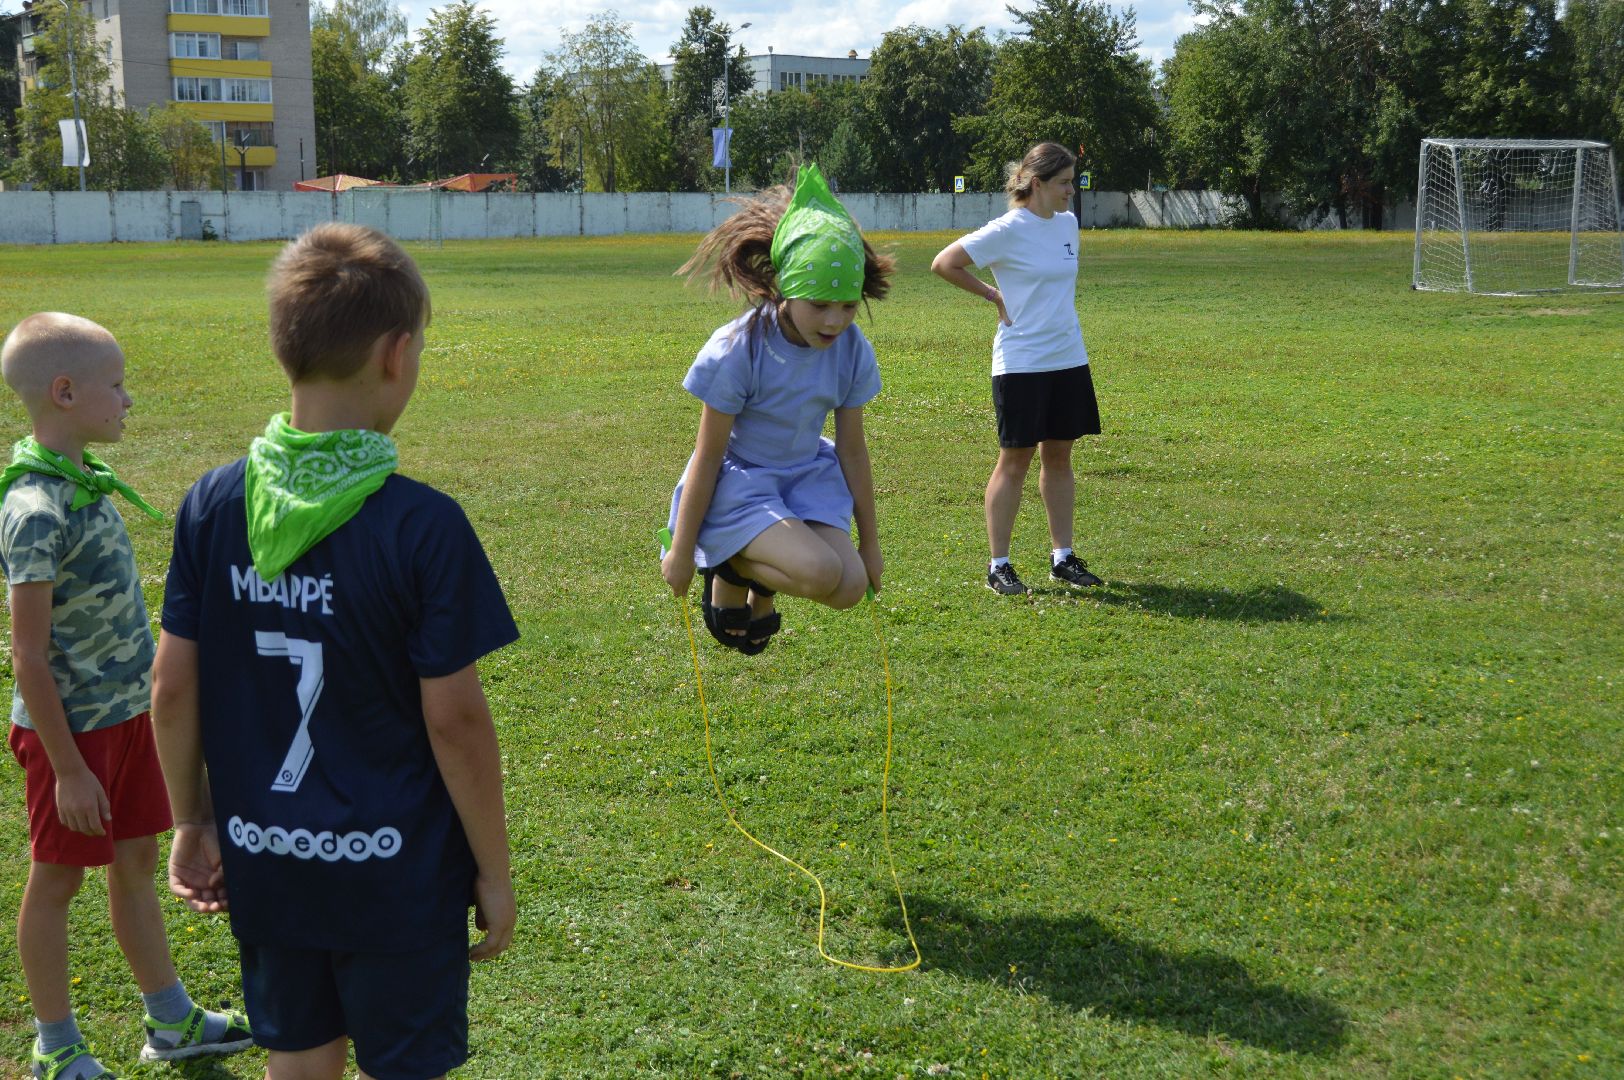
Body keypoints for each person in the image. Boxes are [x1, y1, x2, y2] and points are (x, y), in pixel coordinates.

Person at [150, 224, 520, 1080]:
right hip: (398, 878)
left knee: (298, 1063)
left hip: (268, 864)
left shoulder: (212, 505)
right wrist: (493, 871)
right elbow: (456, 721)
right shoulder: (422, 525)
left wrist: (191, 818)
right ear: (397, 355)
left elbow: (172, 686)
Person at [0, 313, 253, 1080]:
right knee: (57, 880)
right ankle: (56, 1045)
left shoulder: (80, 480)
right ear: (66, 392)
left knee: (136, 859)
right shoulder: (35, 509)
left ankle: (170, 1020)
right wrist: (71, 768)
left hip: (127, 716)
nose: (128, 400)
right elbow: (29, 657)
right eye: (116, 385)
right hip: (70, 737)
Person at [661, 163, 892, 653]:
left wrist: (870, 544)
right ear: (787, 288)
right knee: (820, 570)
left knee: (849, 586)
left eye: (848, 305)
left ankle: (756, 578)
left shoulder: (851, 349)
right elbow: (706, 455)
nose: (835, 321)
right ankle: (723, 563)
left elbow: (853, 450)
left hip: (806, 475)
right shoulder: (738, 349)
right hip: (741, 481)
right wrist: (683, 550)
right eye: (819, 304)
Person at [931, 142, 1105, 596]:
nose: (1072, 191)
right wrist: (992, 295)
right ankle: (999, 565)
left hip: (1068, 357)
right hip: (1021, 363)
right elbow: (943, 263)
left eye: (1072, 181)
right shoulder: (1008, 229)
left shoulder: (1069, 224)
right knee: (1016, 460)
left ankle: (1062, 557)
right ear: (1037, 183)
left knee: (1060, 456)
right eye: (1064, 183)